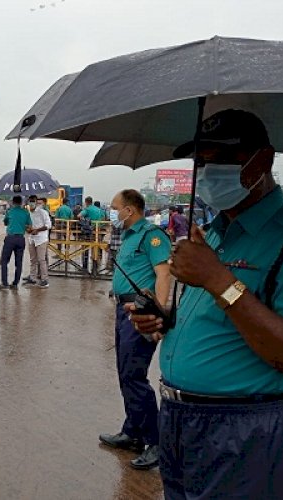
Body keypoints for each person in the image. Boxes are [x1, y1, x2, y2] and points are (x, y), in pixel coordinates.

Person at [130, 109, 283, 498]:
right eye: (201, 162)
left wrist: (219, 279)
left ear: (263, 160)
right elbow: (222, 320)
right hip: (179, 422)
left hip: (249, 433)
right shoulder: (209, 235)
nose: (208, 172)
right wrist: (164, 321)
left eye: (222, 159)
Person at [98, 189, 171, 470]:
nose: (113, 213)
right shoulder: (128, 236)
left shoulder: (152, 236)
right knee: (125, 372)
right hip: (122, 310)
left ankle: (154, 442)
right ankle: (132, 431)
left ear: (130, 210)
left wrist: (159, 312)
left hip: (140, 312)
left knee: (134, 375)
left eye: (116, 208)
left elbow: (163, 274)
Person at [0, 195, 32, 291]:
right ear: (21, 202)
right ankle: (15, 283)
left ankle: (4, 283)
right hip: (21, 239)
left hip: (10, 239)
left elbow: (6, 223)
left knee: (4, 261)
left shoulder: (9, 211)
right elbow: (29, 226)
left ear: (13, 202)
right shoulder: (26, 212)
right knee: (19, 262)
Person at [23, 195, 51, 288]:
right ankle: (32, 277)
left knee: (41, 259)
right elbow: (26, 224)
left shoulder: (42, 212)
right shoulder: (27, 213)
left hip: (41, 239)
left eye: (33, 201)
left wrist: (37, 230)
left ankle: (44, 280)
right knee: (33, 259)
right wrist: (28, 229)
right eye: (30, 201)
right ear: (28, 202)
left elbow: (48, 225)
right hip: (31, 239)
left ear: (36, 202)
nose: (31, 203)